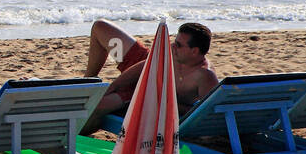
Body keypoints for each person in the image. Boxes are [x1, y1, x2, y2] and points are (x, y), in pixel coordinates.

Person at [81, 20, 219, 134]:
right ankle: (86, 82)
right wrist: (113, 86)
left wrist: (166, 102)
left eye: (178, 44)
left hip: (146, 90)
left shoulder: (204, 76)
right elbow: (144, 66)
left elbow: (205, 113)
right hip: (146, 61)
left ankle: (77, 134)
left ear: (194, 51)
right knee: (100, 27)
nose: (172, 46)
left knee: (98, 104)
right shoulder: (176, 53)